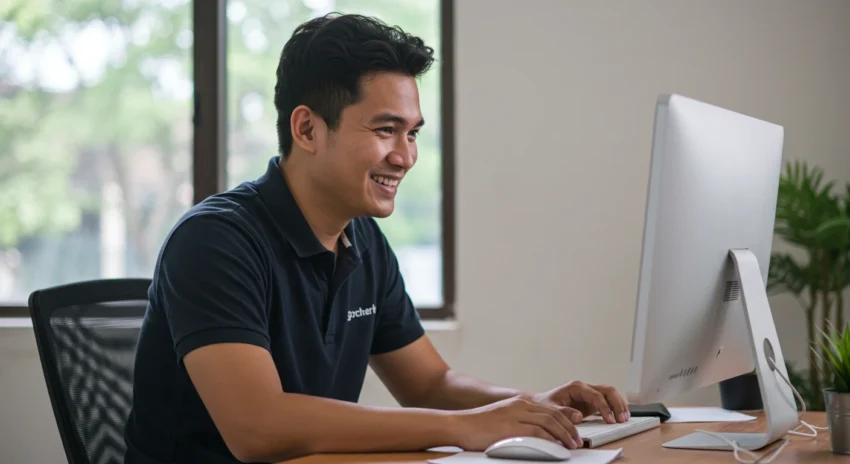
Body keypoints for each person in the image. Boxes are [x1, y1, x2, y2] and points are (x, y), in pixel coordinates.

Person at [123, 13, 630, 464]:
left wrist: (537, 407)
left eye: (412, 133)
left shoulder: (361, 239)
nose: (406, 157)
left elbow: (429, 384)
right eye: (386, 129)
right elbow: (258, 427)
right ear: (307, 130)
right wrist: (462, 428)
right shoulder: (215, 241)